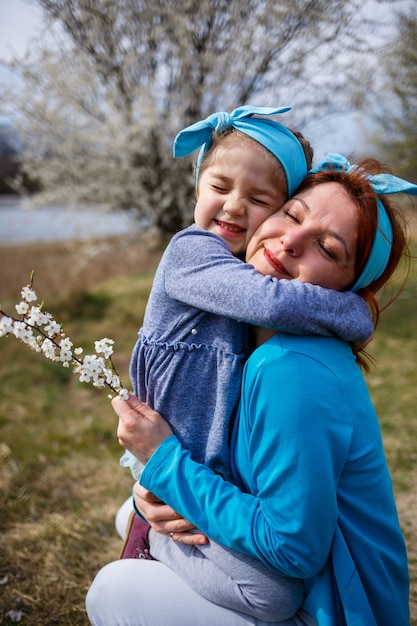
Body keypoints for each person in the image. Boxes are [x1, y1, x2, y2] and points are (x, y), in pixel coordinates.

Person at [86, 154, 414, 625]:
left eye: (328, 247)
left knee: (113, 592)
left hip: (329, 609)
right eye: (293, 215)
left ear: (345, 290)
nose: (291, 241)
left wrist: (164, 463)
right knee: (132, 511)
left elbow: (292, 549)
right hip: (300, 583)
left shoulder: (291, 370)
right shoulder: (247, 334)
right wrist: (160, 489)